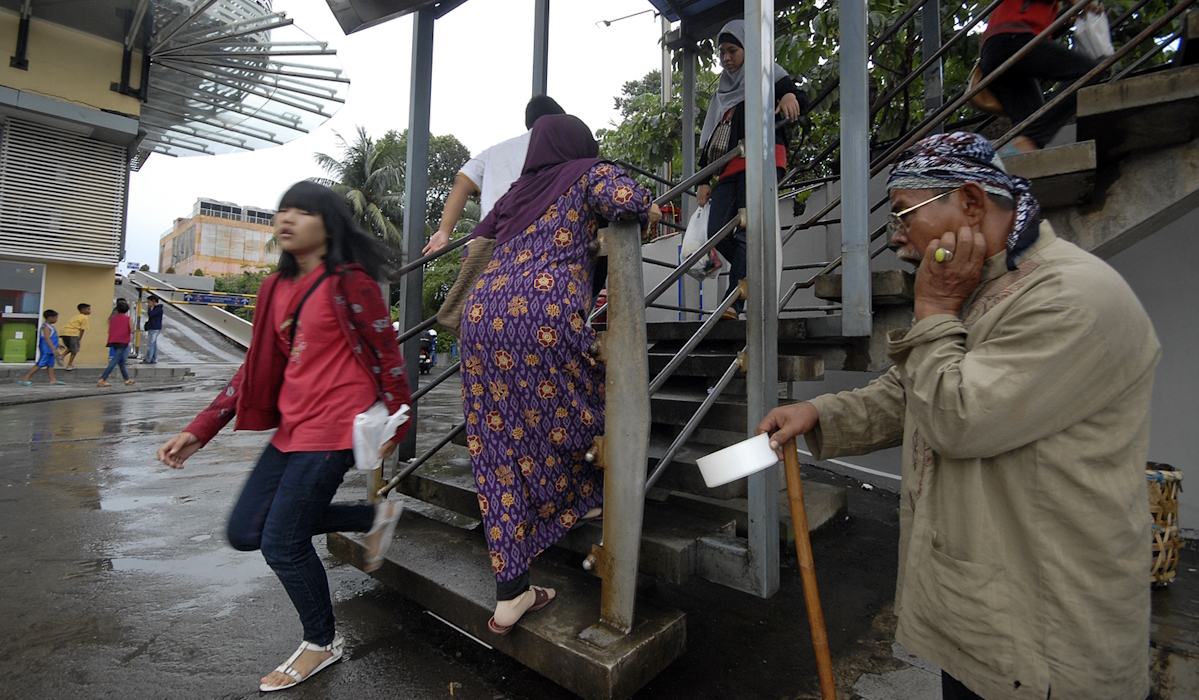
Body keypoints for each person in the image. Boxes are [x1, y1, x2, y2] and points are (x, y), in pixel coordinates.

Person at [756, 132, 1158, 700]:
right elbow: (913, 391)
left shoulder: (1070, 297)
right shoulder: (983, 286)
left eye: (904, 214)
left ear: (970, 202)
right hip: (986, 621)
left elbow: (957, 417)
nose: (897, 237)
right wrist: (817, 413)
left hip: (1046, 638)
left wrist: (934, 308)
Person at [155, 181, 412, 693]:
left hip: (336, 429)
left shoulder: (351, 284)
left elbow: (387, 356)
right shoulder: (275, 287)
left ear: (328, 224)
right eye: (282, 211)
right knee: (245, 530)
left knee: (282, 542)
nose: (286, 219)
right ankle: (371, 517)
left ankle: (321, 642)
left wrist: (398, 423)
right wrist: (201, 429)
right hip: (291, 430)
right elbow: (254, 366)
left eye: (302, 211)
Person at [459, 114, 659, 634]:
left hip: (481, 321)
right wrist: (650, 207)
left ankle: (511, 592)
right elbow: (630, 201)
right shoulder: (587, 172)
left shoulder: (515, 191)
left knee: (496, 447)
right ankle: (587, 498)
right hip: (541, 314)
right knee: (584, 406)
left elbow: (478, 240)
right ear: (579, 144)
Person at [696, 19, 806, 320]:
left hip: (764, 159)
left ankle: (733, 301)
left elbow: (798, 98)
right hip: (730, 165)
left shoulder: (767, 73)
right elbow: (712, 135)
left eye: (733, 50)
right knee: (717, 231)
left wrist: (788, 96)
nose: (726, 58)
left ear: (748, 48)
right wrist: (704, 179)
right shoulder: (723, 89)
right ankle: (755, 270)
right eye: (722, 52)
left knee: (748, 231)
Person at [422, 95, 566, 255]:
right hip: (537, 241)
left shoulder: (494, 152)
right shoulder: (564, 151)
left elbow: (462, 182)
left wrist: (444, 231)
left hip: (489, 242)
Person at [979, 0, 1102, 153]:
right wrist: (1081, 3)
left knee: (1031, 123)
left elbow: (1041, 32)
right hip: (1012, 40)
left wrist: (1070, 20)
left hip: (998, 49)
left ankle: (1014, 156)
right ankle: (1027, 141)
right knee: (1089, 70)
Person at [18, 310, 65, 386]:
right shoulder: (46, 327)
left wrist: (58, 345)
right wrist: (53, 348)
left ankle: (52, 379)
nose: (56, 319)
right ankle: (26, 378)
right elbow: (47, 338)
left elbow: (51, 338)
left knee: (50, 364)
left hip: (51, 348)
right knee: (41, 363)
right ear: (50, 318)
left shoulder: (50, 326)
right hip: (46, 348)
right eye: (55, 318)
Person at [97, 299, 135, 387]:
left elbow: (110, 330)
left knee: (121, 361)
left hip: (113, 340)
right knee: (115, 360)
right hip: (123, 341)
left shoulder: (112, 319)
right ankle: (102, 379)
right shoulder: (128, 319)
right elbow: (132, 331)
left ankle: (126, 379)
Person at [58, 302, 91, 370]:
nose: (90, 311)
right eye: (88, 309)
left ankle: (61, 356)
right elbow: (82, 330)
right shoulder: (84, 317)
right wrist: (79, 340)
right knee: (75, 350)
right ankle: (69, 364)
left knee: (71, 347)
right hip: (72, 333)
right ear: (83, 310)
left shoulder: (76, 316)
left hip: (64, 332)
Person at [141, 295, 163, 364]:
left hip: (154, 328)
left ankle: (148, 359)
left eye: (149, 302)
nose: (148, 303)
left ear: (153, 301)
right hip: (155, 327)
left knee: (151, 343)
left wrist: (149, 308)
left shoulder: (158, 309)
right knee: (153, 344)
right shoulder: (158, 308)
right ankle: (154, 359)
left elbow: (150, 315)